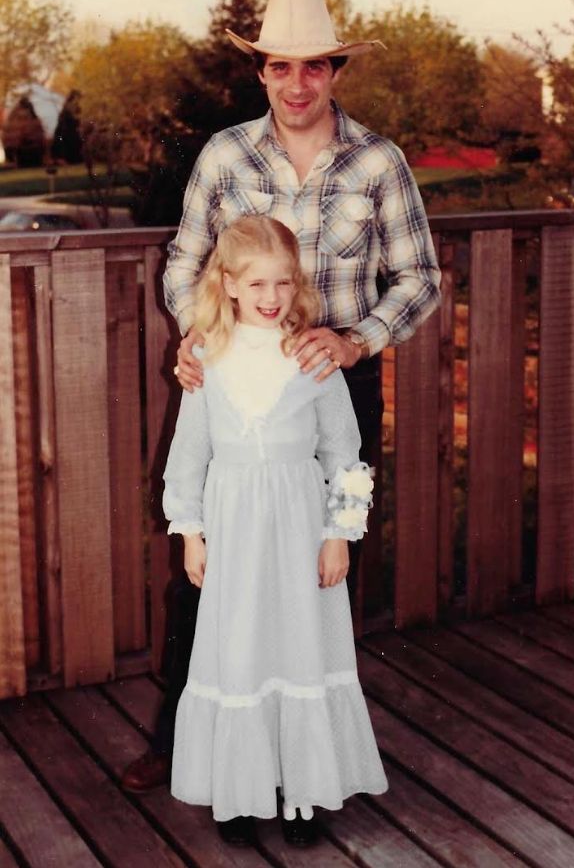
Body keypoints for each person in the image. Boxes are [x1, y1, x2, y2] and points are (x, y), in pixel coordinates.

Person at [121, 0, 440, 799]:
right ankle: (189, 746)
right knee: (210, 574)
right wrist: (197, 337)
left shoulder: (378, 162)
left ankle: (306, 755)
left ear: (335, 73)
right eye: (279, 68)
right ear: (261, 73)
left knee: (324, 572)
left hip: (330, 387)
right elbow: (185, 265)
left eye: (314, 68)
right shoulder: (227, 155)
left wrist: (353, 337)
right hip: (233, 383)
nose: (297, 84)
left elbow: (420, 278)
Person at [164, 215, 388, 846]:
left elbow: (345, 453)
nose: (271, 298)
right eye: (257, 283)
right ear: (228, 284)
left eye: (283, 284)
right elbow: (189, 454)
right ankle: (240, 792)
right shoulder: (207, 356)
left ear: (298, 286)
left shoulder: (312, 356)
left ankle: (304, 791)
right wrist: (191, 532)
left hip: (298, 527)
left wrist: (338, 533)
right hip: (234, 530)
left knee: (299, 646)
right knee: (239, 649)